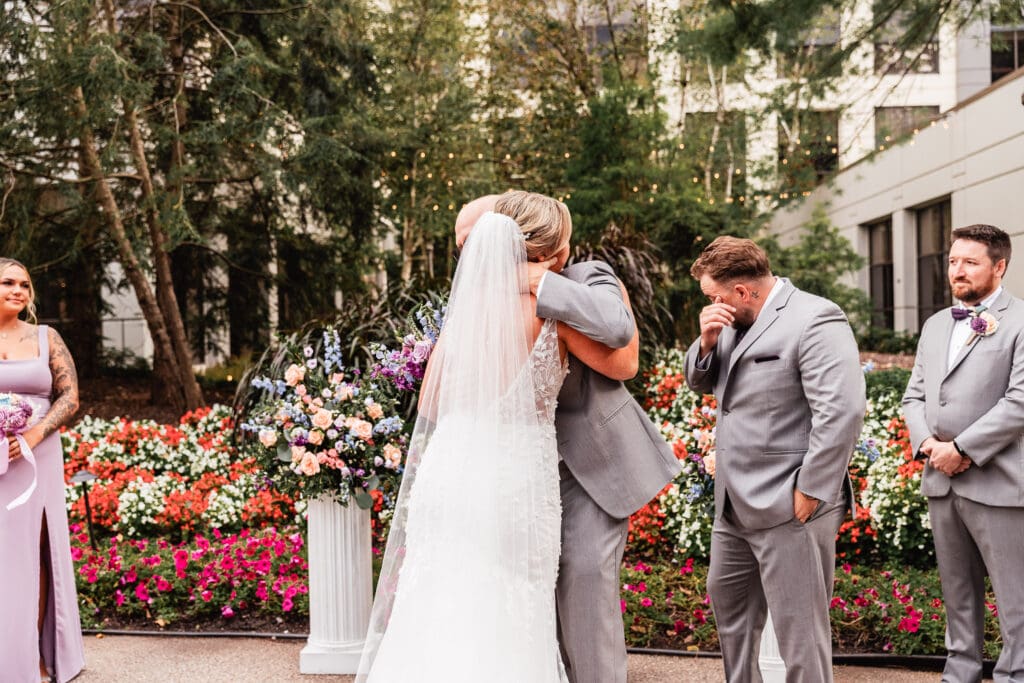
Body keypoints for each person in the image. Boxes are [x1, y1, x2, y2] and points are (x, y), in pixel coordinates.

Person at [357, 196, 645, 682]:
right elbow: (624, 361)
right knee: (512, 603)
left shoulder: (468, 311)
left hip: (451, 470)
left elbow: (429, 405)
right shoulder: (554, 316)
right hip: (515, 473)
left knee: (441, 601)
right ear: (552, 253)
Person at [449, 192, 680, 683]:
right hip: (513, 471)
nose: (468, 254)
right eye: (463, 245)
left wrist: (541, 282)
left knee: (584, 585)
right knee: (521, 597)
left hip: (587, 467)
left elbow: (620, 336)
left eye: (474, 240)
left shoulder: (585, 275)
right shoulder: (478, 305)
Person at [683, 237, 865, 683]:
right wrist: (706, 339)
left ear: (744, 291)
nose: (711, 306)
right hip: (732, 505)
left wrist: (811, 490)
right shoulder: (728, 320)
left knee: (800, 635)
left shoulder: (816, 318)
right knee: (732, 622)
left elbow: (841, 410)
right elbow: (701, 384)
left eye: (715, 298)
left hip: (790, 503)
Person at [902, 224, 1024, 683]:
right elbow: (914, 396)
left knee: (1017, 599)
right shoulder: (936, 325)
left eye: (970, 262)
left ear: (1000, 266)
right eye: (953, 261)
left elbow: (1021, 399)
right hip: (941, 480)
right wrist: (931, 445)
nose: (957, 270)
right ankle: (960, 674)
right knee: (958, 595)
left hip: (1001, 483)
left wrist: (964, 448)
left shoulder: (1021, 321)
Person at [0, 257, 85, 683]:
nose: (18, 290)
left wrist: (33, 435)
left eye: (25, 285)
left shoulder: (46, 338)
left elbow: (69, 397)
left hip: (38, 459)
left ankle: (32, 655)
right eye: (7, 283)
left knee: (35, 554)